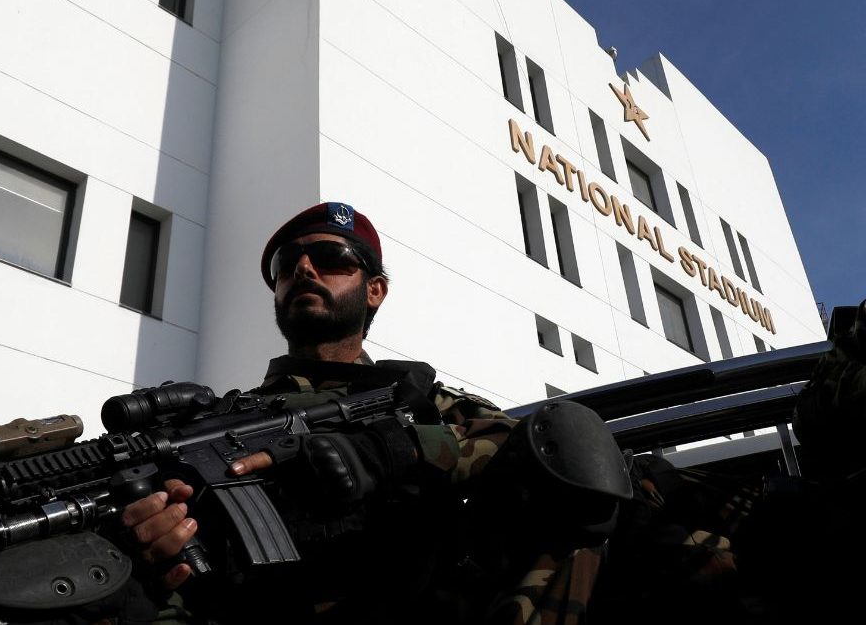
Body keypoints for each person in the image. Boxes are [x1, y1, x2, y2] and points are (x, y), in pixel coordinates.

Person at [120, 202, 632, 624]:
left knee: (581, 512)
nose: (303, 268)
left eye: (329, 257)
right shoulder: (219, 426)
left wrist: (397, 448)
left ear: (374, 290)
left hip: (413, 600)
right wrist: (144, 554)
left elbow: (537, 446)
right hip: (262, 607)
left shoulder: (420, 402)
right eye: (287, 265)